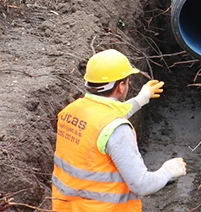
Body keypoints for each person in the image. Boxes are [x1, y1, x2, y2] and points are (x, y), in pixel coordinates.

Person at [51, 49, 187, 211]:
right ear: (121, 86)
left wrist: (141, 99)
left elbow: (103, 116)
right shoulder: (117, 130)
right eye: (127, 81)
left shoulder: (70, 111)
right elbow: (141, 185)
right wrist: (168, 171)